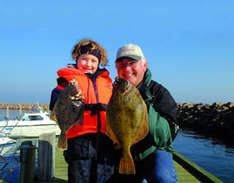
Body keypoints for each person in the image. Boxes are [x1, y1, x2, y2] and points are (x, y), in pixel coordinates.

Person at [108, 44, 179, 183]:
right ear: (116, 68)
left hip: (152, 151)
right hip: (121, 150)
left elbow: (166, 136)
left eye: (132, 63)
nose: (127, 69)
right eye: (121, 65)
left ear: (144, 65)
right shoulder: (111, 92)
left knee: (163, 177)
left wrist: (142, 104)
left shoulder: (159, 92)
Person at [49, 39, 115, 183]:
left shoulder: (108, 82)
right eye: (84, 59)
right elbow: (55, 103)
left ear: (99, 62)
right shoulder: (67, 81)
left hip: (105, 141)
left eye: (93, 60)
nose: (88, 64)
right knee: (79, 178)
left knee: (104, 178)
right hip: (79, 140)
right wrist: (74, 100)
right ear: (76, 59)